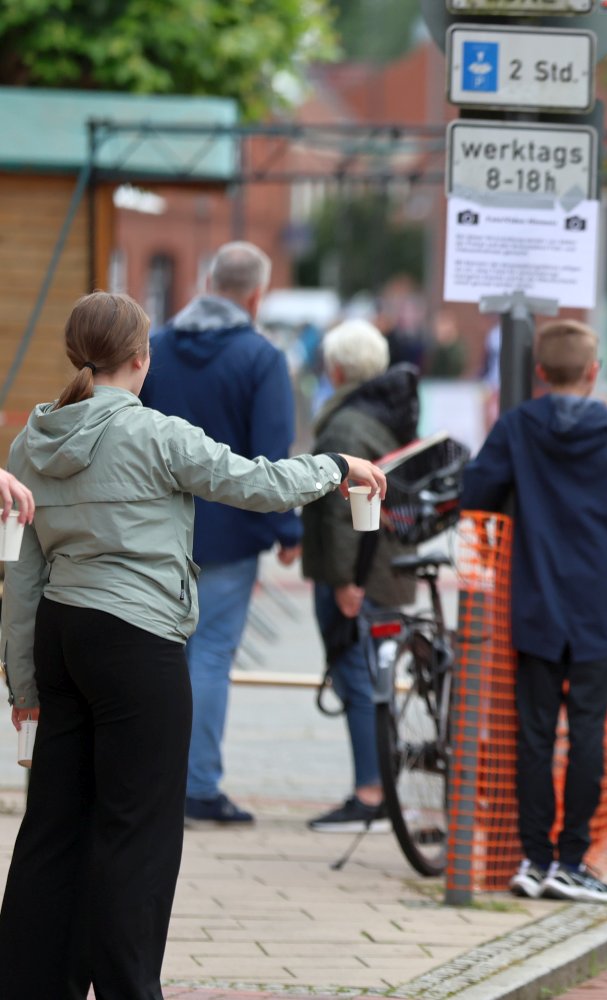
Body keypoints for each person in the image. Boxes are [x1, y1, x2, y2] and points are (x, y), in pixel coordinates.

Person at [0, 291, 384, 999]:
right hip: (135, 639)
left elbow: (20, 574)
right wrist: (334, 466)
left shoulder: (31, 441)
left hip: (60, 633)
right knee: (137, 831)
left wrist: (23, 685)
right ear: (140, 358)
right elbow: (258, 484)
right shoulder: (155, 434)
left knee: (52, 827)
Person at [462, 320, 607, 902]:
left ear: (541, 372)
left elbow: (476, 494)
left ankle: (531, 858)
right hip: (600, 599)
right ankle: (572, 860)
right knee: (591, 730)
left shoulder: (517, 426)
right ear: (594, 372)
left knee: (534, 734)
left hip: (534, 599)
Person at [139, 240, 300, 826]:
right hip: (231, 532)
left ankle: (153, 784)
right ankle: (199, 787)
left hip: (158, 530)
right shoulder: (261, 357)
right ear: (256, 296)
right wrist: (286, 527)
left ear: (208, 283)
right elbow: (272, 449)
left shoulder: (155, 348)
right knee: (209, 656)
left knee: (161, 655)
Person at [301, 320, 420, 833]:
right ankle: (380, 790)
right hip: (387, 568)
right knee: (374, 678)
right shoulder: (385, 410)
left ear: (337, 369)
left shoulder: (346, 425)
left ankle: (370, 793)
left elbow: (342, 513)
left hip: (360, 575)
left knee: (357, 676)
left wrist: (346, 581)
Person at [425, 310, 470, 379]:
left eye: (441, 325)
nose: (438, 329)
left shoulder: (458, 347)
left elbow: (456, 370)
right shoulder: (436, 347)